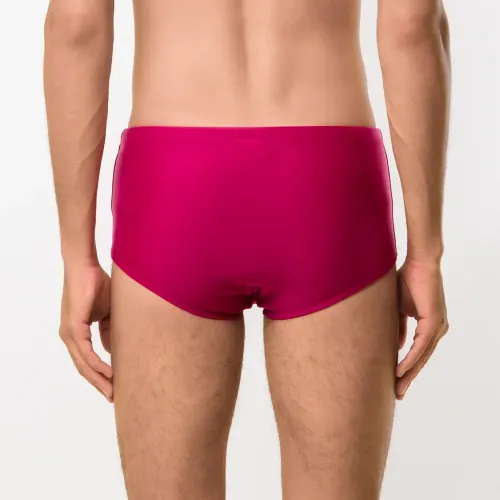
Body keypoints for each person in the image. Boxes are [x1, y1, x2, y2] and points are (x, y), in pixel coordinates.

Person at [43, 0, 450, 498]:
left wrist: (78, 257)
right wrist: (426, 255)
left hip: (176, 182)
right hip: (324, 181)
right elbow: (412, 22)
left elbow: (76, 24)